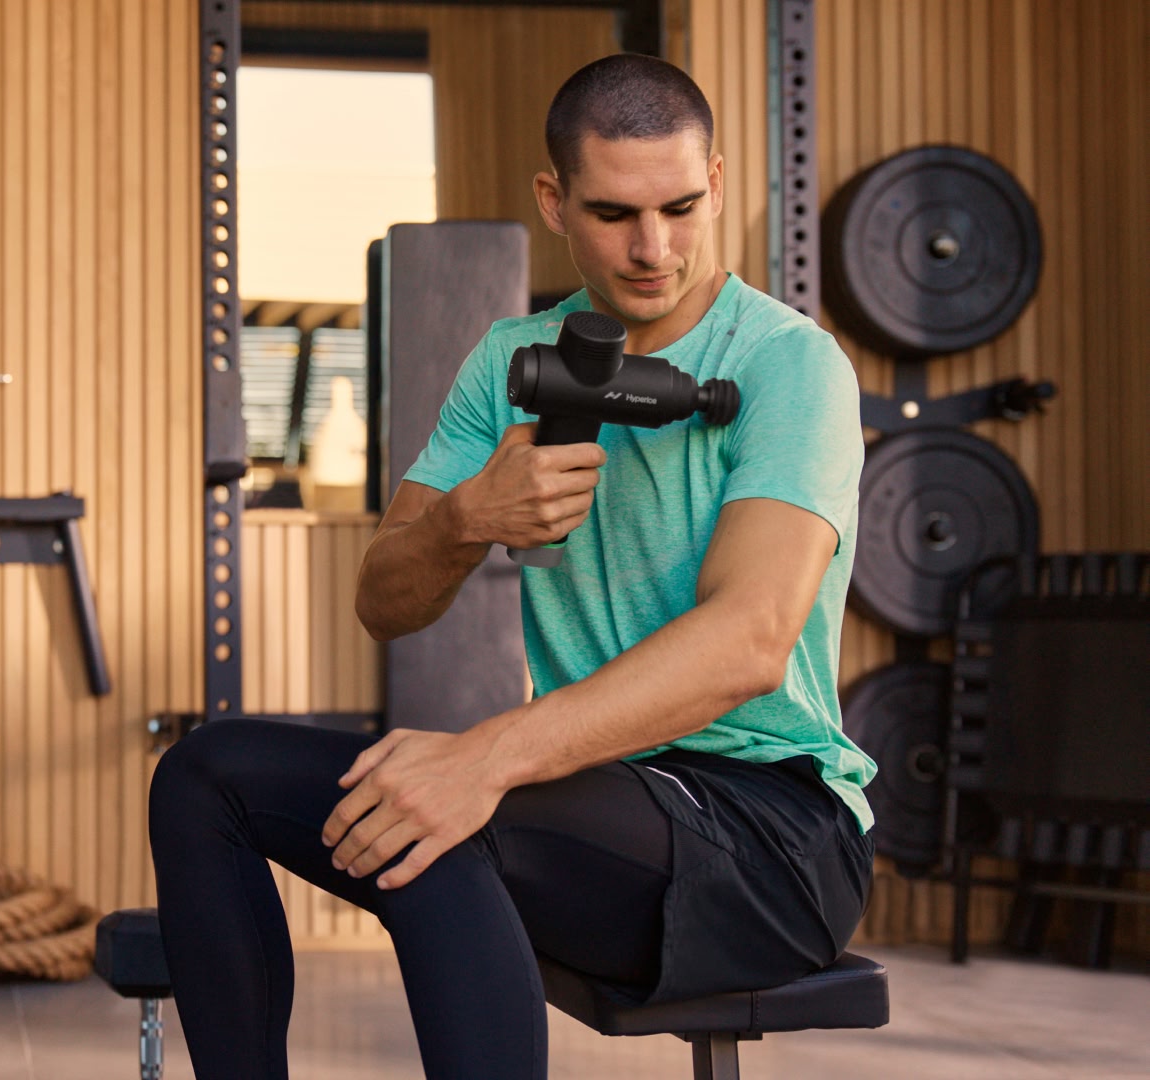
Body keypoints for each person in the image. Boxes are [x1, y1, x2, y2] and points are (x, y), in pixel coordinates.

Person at [149, 52, 876, 1080]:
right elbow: (382, 600)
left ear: (716, 181)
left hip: (771, 833)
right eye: (616, 214)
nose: (653, 247)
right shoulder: (510, 360)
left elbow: (751, 640)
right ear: (554, 200)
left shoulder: (787, 364)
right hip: (596, 788)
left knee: (452, 817)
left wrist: (485, 757)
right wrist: (465, 520)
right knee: (205, 776)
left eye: (679, 205)